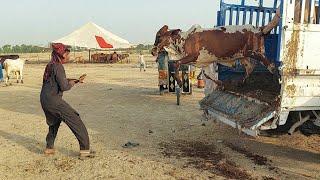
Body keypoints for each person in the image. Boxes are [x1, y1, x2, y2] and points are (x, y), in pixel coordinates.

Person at [40, 43, 95, 158]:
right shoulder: (58, 66)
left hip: (44, 99)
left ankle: (49, 148)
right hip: (53, 100)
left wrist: (75, 81)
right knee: (75, 119)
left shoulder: (50, 65)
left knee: (54, 122)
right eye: (67, 54)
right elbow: (64, 86)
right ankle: (85, 150)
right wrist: (72, 84)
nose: (69, 57)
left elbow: (58, 81)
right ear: (62, 54)